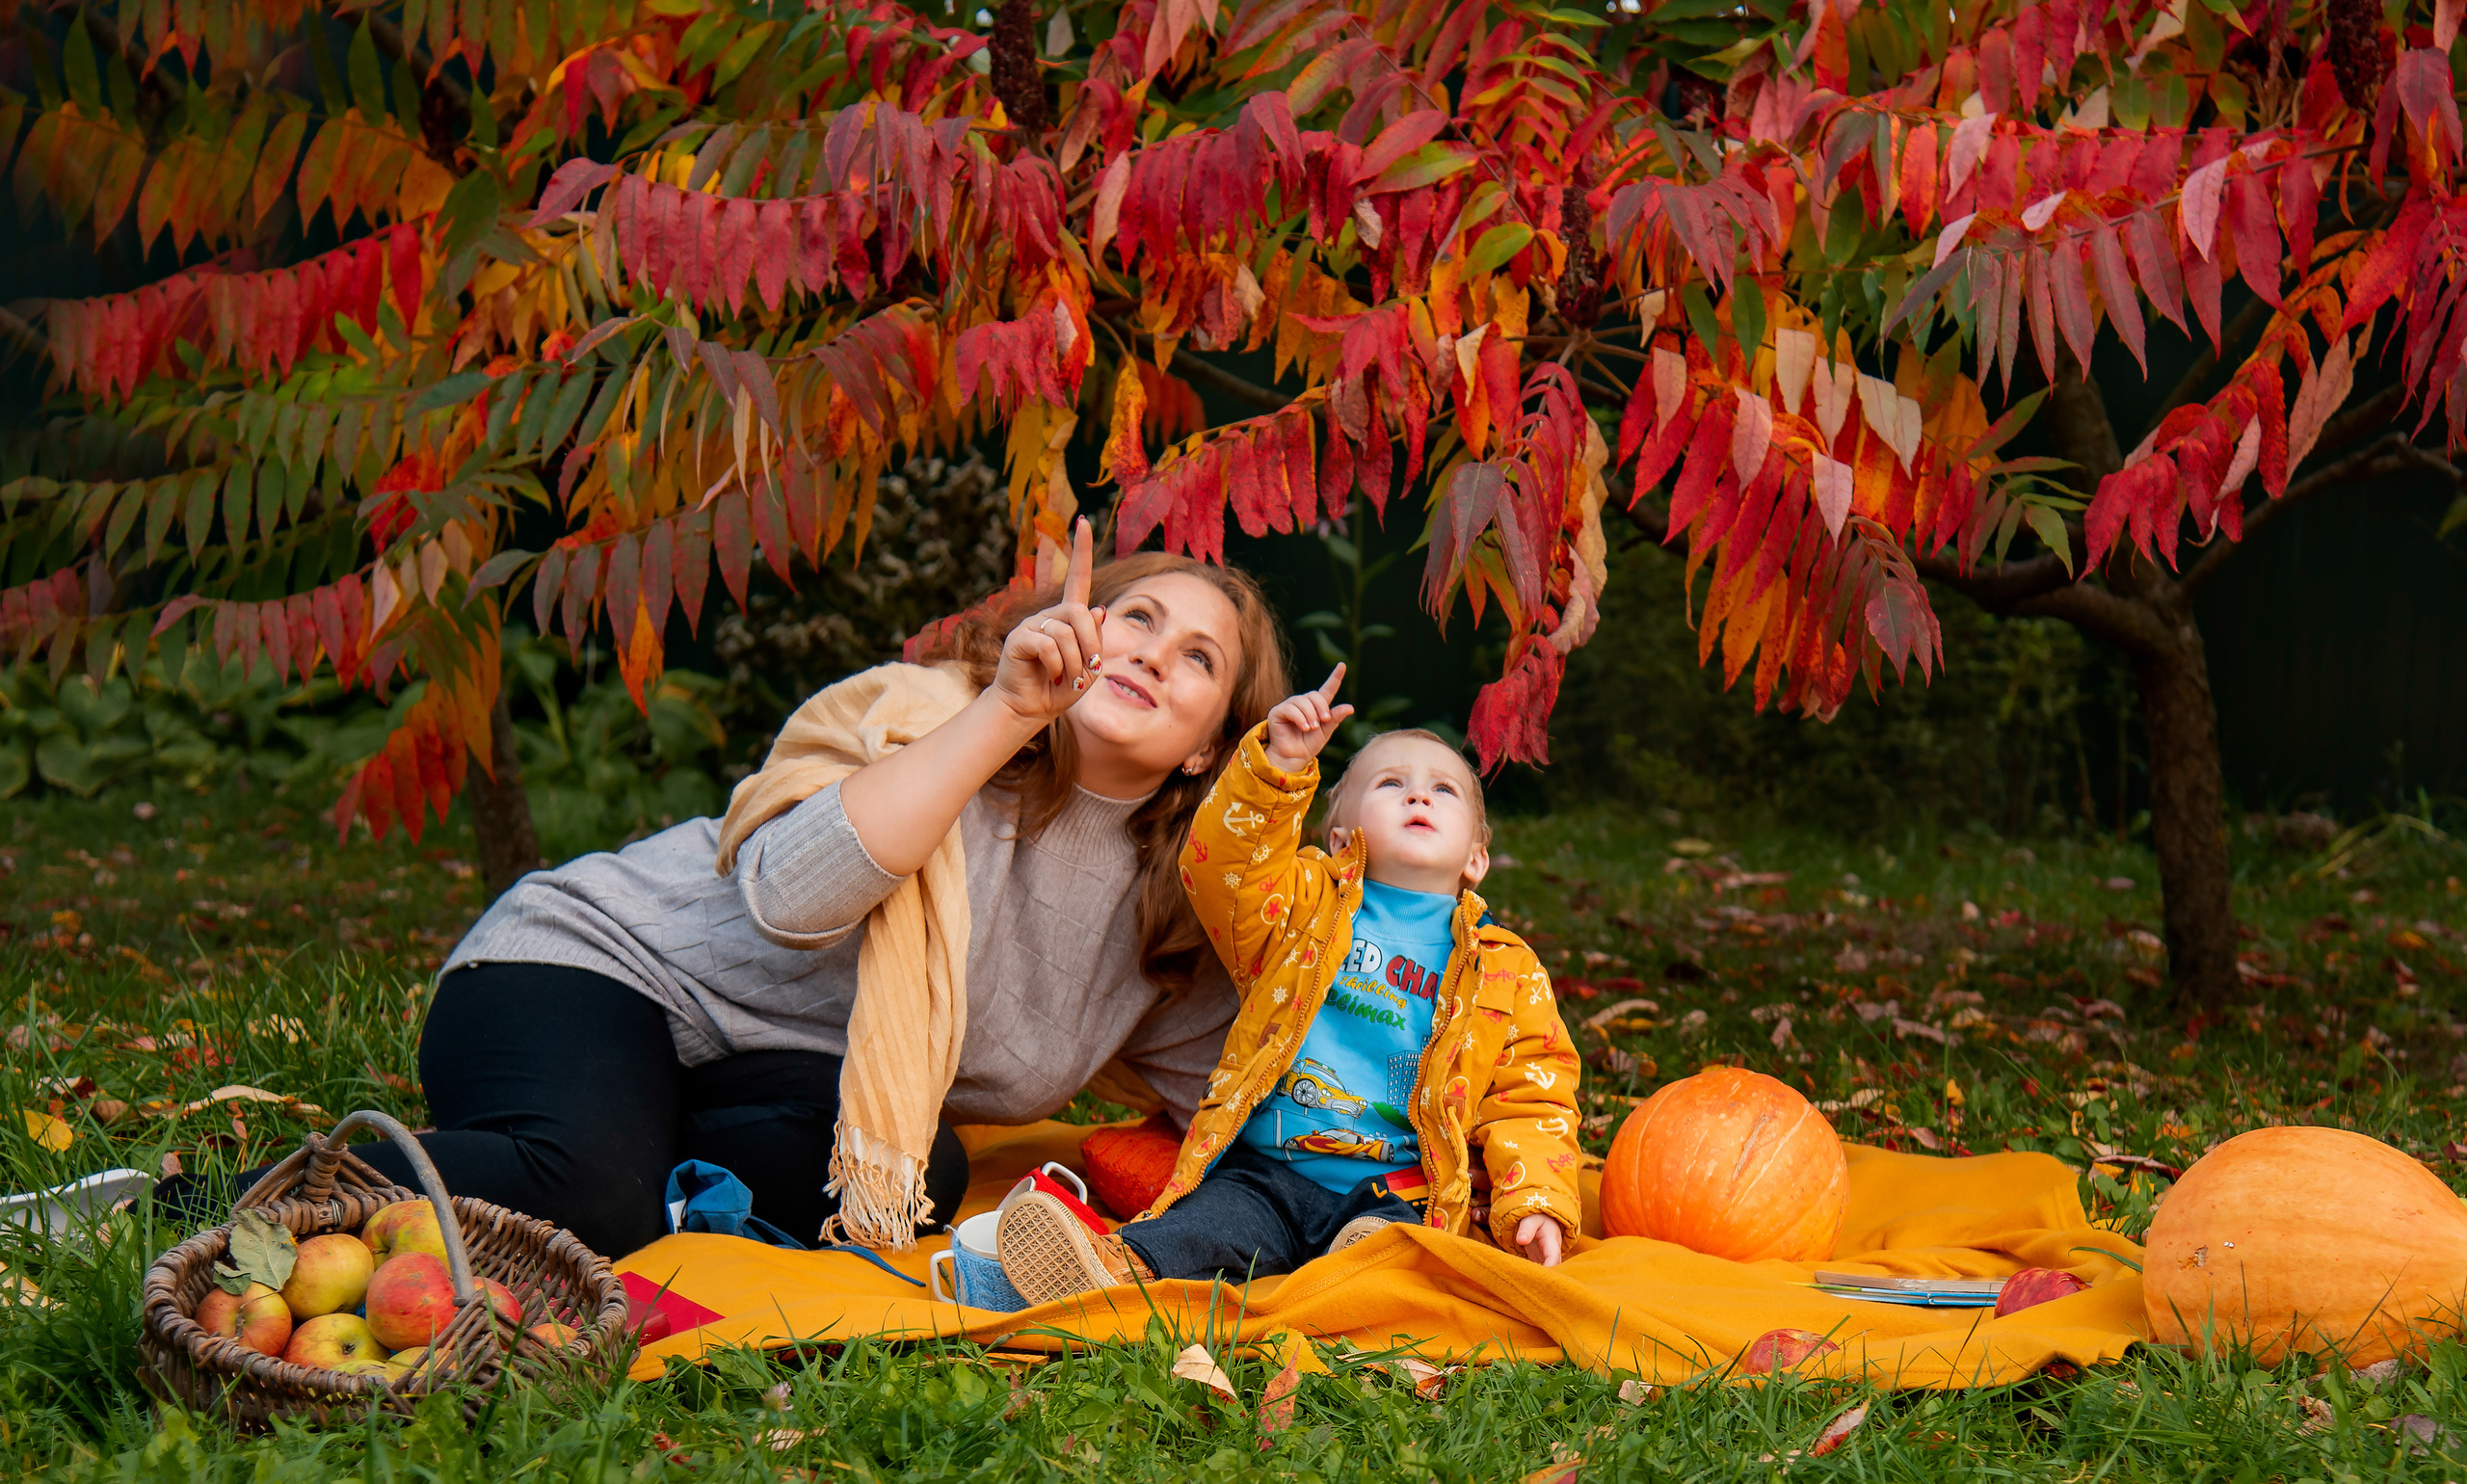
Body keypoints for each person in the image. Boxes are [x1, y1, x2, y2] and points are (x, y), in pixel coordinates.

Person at [153, 520, 1288, 1259]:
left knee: (912, 1167)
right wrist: (1007, 713)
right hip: (592, 965)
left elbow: (1255, 1100)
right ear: (1082, 625)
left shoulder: (1174, 912)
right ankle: (177, 1212)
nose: (1153, 651)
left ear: (1206, 749)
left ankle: (619, 1156)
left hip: (744, 1074)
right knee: (587, 1190)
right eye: (1137, 615)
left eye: (1197, 657)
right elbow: (790, 900)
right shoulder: (923, 714)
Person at [995, 666, 1581, 1302]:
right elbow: (1225, 871)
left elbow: (1533, 1097)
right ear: (1338, 838)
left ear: (1476, 856)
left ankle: (1362, 1271)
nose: (1418, 797)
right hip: (1267, 1173)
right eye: (1391, 784)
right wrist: (1278, 769)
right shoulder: (1302, 906)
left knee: (1396, 1242)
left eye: (1443, 790)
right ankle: (1108, 1267)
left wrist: (1536, 1202)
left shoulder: (1505, 969)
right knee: (1199, 1230)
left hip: (1400, 1188)